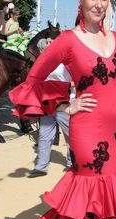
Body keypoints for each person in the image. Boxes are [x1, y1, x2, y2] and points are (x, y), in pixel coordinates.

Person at [9, 0, 116, 219]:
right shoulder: (68, 39)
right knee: (91, 193)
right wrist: (65, 106)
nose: (99, 4)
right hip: (87, 132)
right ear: (81, 3)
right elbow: (34, 77)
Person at [28, 37, 73, 178]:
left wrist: (60, 88)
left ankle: (72, 164)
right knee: (44, 135)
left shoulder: (66, 63)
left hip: (64, 102)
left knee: (69, 135)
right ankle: (41, 167)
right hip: (47, 104)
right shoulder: (41, 64)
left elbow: (76, 82)